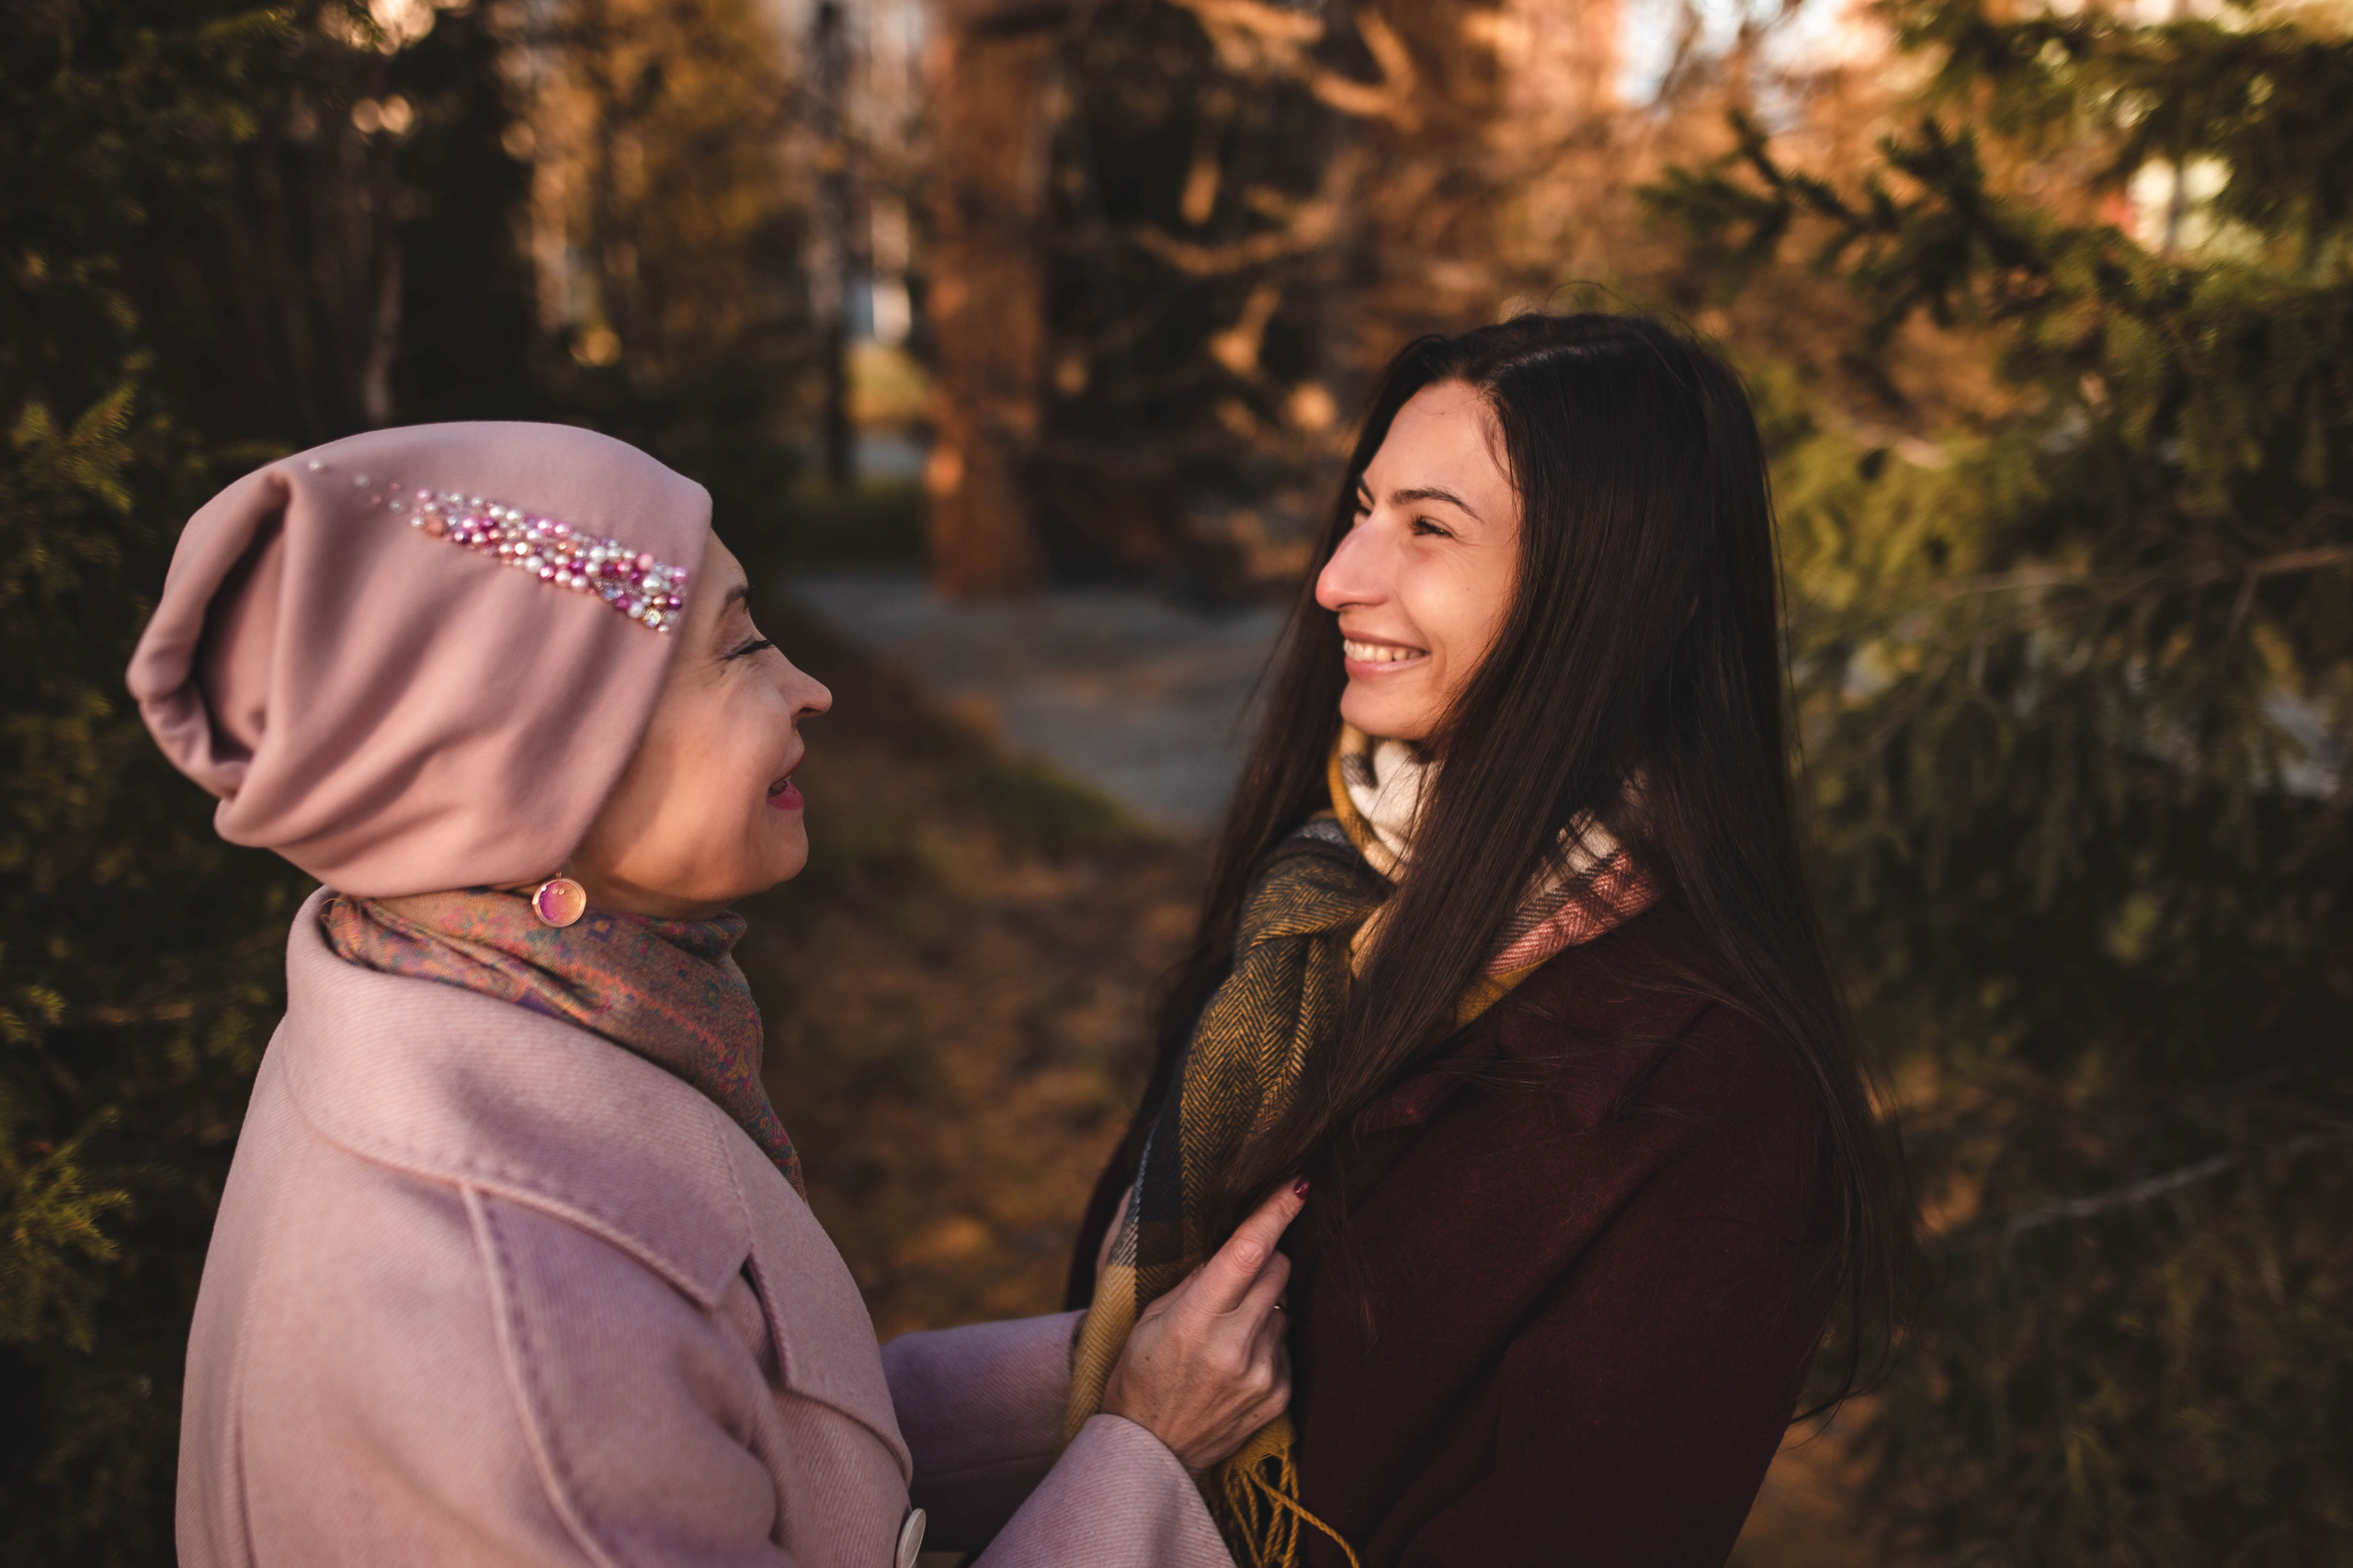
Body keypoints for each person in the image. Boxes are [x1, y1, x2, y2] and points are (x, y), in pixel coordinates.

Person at [130, 421, 1301, 1568]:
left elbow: (769, 1429)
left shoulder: (487, 1001)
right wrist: (1142, 1445)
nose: (812, 688)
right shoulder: (506, 1330)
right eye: (741, 649)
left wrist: (1118, 1353)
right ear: (535, 755)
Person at [1062, 314, 1915, 1568]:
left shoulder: (1716, 1095)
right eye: (1362, 509)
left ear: (1633, 594)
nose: (1339, 575)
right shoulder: (1324, 890)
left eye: (1430, 528)